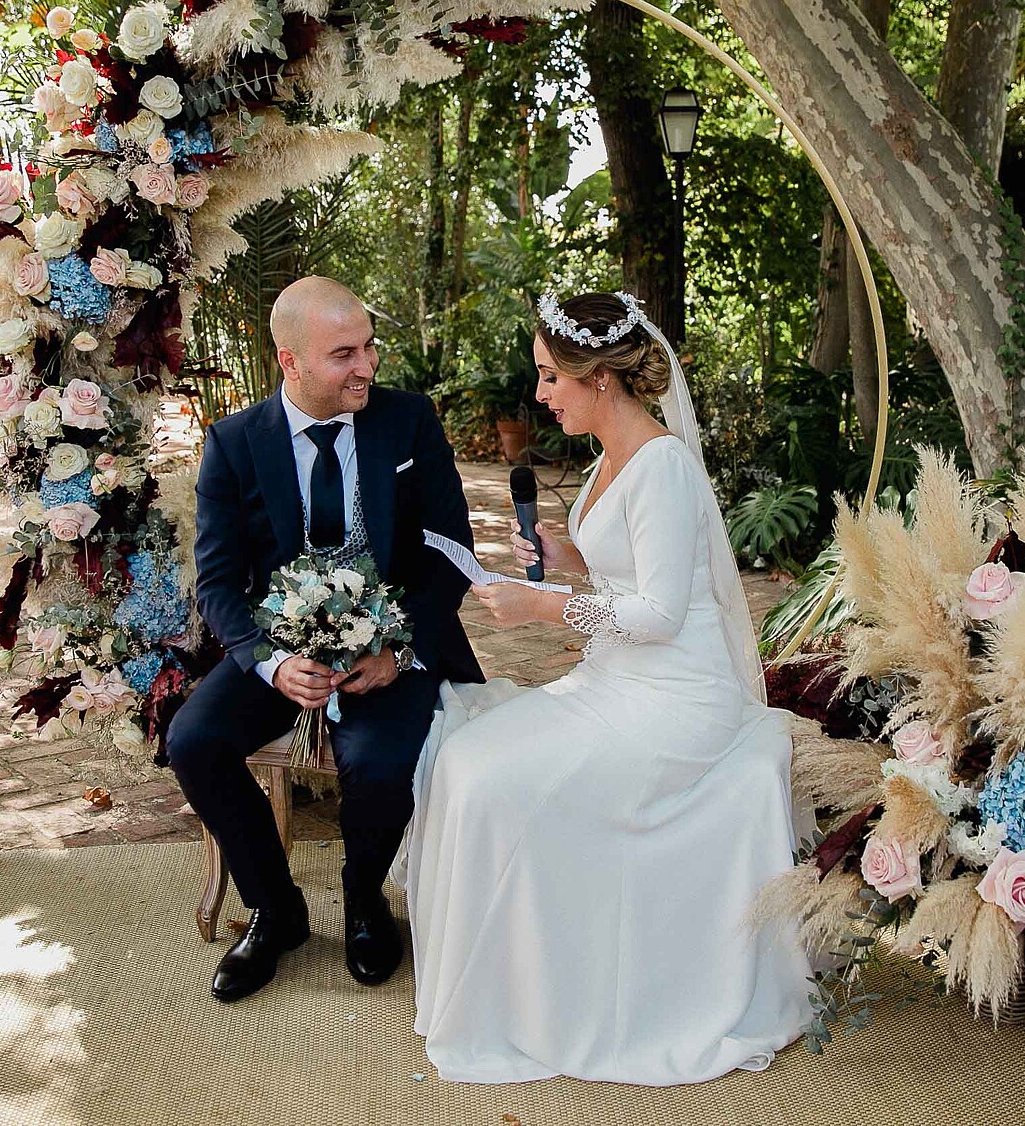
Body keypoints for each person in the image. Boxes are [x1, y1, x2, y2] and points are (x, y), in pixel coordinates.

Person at [402, 290, 812, 1084]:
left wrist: (540, 604)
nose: (543, 394)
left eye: (551, 376)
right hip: (611, 681)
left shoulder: (662, 464)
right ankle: (509, 988)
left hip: (674, 700)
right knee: (464, 762)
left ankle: (544, 999)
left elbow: (659, 614)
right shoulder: (609, 458)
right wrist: (564, 556)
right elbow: (634, 569)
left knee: (491, 781)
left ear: (600, 379)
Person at [168, 276, 484, 1003]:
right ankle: (276, 911)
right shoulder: (235, 443)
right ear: (291, 361)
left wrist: (398, 651)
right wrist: (273, 663)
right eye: (345, 353)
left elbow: (448, 548)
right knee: (194, 741)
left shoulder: (408, 422)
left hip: (390, 640)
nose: (366, 365)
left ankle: (365, 897)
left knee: (379, 759)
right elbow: (216, 582)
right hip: (280, 647)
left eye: (370, 345)